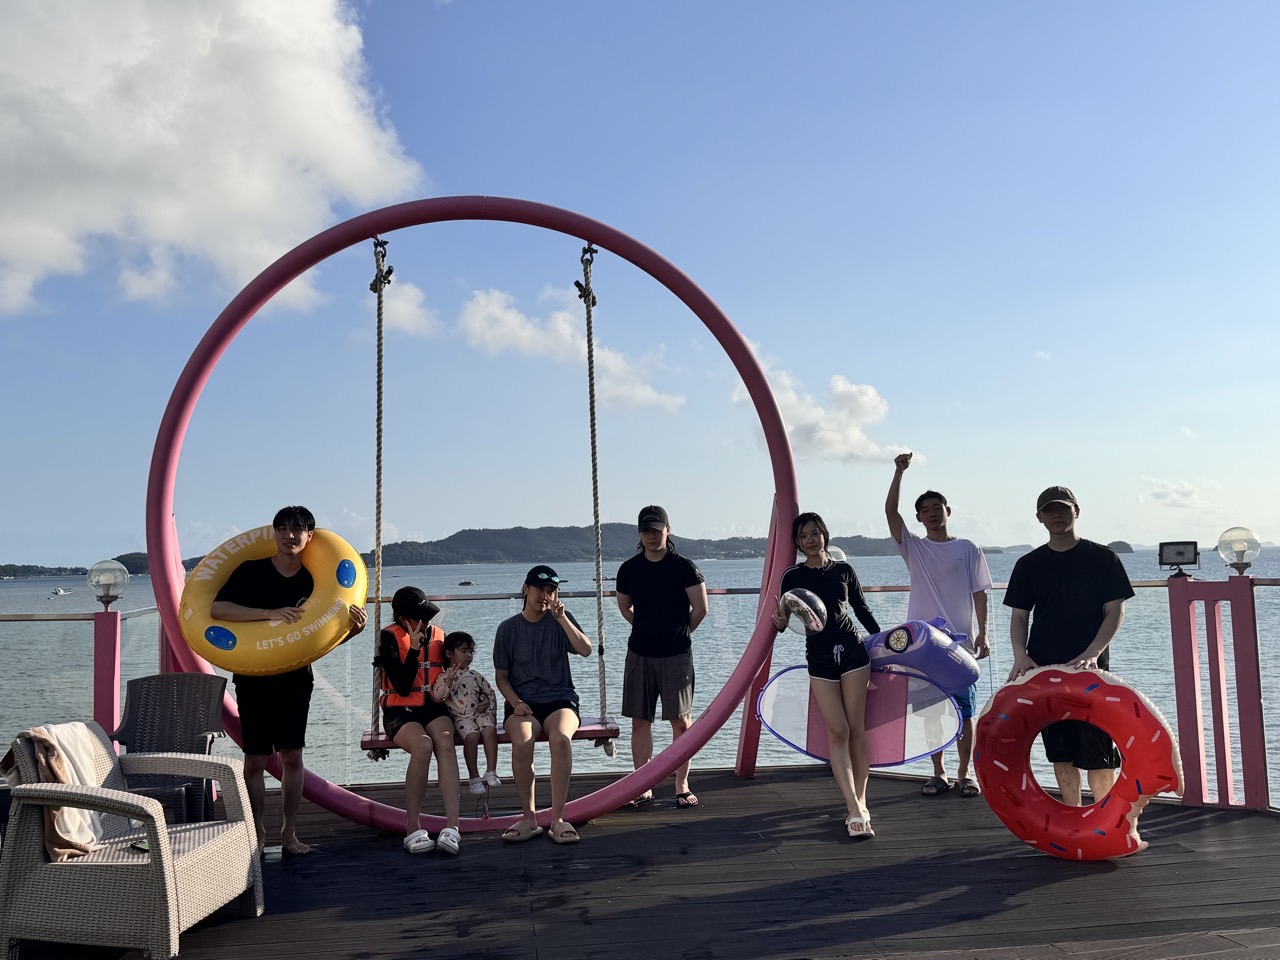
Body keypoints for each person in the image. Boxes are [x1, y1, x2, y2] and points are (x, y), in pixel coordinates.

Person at [210, 505, 367, 855]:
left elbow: (318, 637)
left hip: (295, 678)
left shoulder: (314, 581)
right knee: (255, 759)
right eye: (282, 528)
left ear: (309, 536)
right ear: (274, 533)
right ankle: (257, 834)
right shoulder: (251, 571)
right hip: (253, 674)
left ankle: (289, 834)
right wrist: (269, 613)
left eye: (297, 529)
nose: (289, 535)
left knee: (292, 756)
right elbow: (218, 610)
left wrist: (352, 632)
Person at [1004, 485, 1135, 806]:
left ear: (1076, 511)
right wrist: (1020, 655)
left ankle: (1106, 821)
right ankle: (1073, 817)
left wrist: (1093, 653)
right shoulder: (1029, 564)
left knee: (1098, 753)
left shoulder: (1103, 558)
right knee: (1061, 754)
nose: (1057, 515)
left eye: (1063, 508)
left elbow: (1115, 611)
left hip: (1090, 670)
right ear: (1039, 517)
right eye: (1049, 510)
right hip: (1045, 670)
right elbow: (1019, 616)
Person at [885, 452, 993, 799]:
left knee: (965, 712)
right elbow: (891, 513)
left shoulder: (968, 548)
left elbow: (980, 593)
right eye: (925, 510)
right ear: (919, 518)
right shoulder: (914, 548)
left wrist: (983, 633)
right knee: (931, 713)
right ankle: (938, 773)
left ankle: (966, 774)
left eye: (937, 507)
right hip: (923, 647)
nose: (932, 513)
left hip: (959, 645)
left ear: (948, 511)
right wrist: (899, 472)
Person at [771, 512, 881, 839]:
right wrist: (778, 623)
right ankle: (853, 806)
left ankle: (859, 805)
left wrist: (886, 643)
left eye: (814, 533)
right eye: (803, 536)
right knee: (838, 730)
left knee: (857, 728)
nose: (810, 540)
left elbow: (861, 610)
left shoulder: (844, 570)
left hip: (853, 652)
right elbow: (784, 618)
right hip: (819, 658)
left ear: (824, 534)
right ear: (797, 542)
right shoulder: (792, 575)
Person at [616, 505, 709, 809]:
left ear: (668, 530)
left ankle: (681, 783)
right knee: (640, 721)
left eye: (657, 530)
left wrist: (680, 633)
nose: (652, 536)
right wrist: (645, 628)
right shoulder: (629, 569)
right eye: (647, 531)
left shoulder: (684, 567)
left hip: (676, 654)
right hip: (639, 653)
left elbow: (701, 609)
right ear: (640, 534)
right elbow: (625, 607)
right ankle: (643, 784)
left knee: (680, 722)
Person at [494, 564, 593, 844]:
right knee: (523, 740)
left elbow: (586, 649)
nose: (545, 595)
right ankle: (529, 818)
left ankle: (558, 819)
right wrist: (515, 702)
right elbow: (501, 678)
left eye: (551, 590)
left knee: (560, 738)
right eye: (539, 588)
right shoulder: (508, 629)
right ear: (526, 589)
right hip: (522, 703)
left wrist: (562, 620)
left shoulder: (562, 620)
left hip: (560, 700)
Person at [378, 586, 463, 854]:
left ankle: (453, 827)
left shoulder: (439, 636)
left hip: (432, 707)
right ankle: (412, 827)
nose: (426, 623)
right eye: (420, 618)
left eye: (428, 617)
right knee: (423, 745)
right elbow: (402, 687)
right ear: (404, 619)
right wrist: (413, 649)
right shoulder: (389, 638)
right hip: (400, 711)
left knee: (446, 743)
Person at [430, 631, 501, 797]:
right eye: (464, 651)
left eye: (471, 652)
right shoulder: (443, 677)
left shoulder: (474, 675)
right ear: (449, 654)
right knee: (472, 736)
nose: (468, 655)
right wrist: (449, 681)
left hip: (479, 713)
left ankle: (491, 770)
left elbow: (489, 692)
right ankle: (473, 776)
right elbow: (438, 696)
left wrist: (487, 704)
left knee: (490, 730)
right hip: (461, 717)